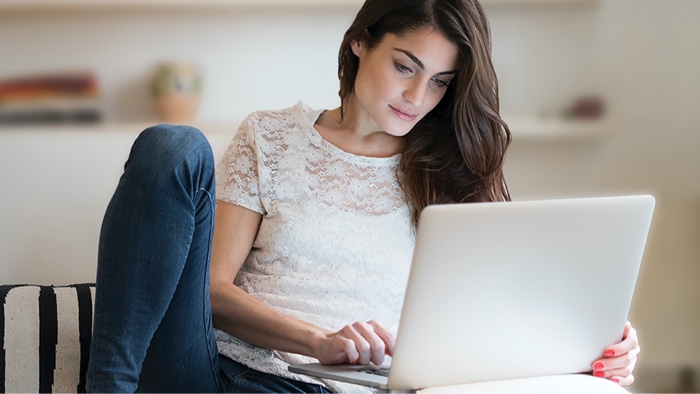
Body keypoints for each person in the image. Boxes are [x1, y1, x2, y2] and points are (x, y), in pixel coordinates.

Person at [86, 0, 640, 392]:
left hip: (341, 389)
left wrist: (600, 344)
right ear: (360, 41)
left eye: (441, 82)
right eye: (405, 67)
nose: (418, 97)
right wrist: (318, 339)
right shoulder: (269, 137)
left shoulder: (457, 173)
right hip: (211, 369)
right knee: (172, 145)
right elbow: (211, 290)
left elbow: (506, 313)